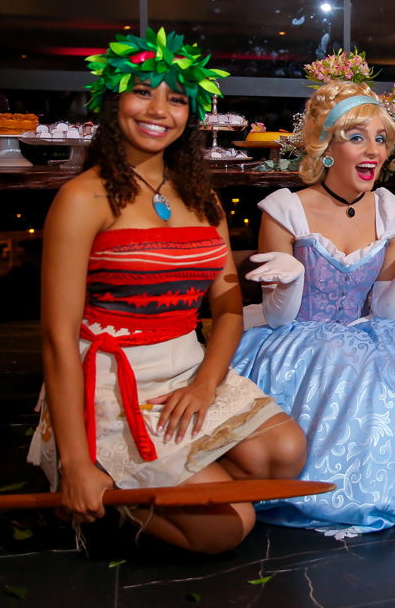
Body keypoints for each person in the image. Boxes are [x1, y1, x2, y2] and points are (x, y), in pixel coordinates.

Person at [29, 29, 308, 555]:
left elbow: (229, 311)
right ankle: (104, 484)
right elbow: (57, 338)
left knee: (284, 454)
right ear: (113, 102)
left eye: (176, 99)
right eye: (142, 92)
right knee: (229, 527)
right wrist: (76, 461)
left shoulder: (202, 198)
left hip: (185, 372)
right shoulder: (82, 198)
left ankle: (166, 474)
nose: (158, 110)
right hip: (111, 382)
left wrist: (204, 385)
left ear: (190, 114)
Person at [231, 81, 395, 538]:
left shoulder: (391, 211)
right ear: (326, 146)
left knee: (394, 375)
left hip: (371, 330)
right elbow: (279, 318)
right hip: (296, 337)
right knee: (339, 370)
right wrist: (292, 278)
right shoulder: (285, 210)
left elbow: (384, 310)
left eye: (380, 139)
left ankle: (381, 489)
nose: (373, 151)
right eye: (357, 137)